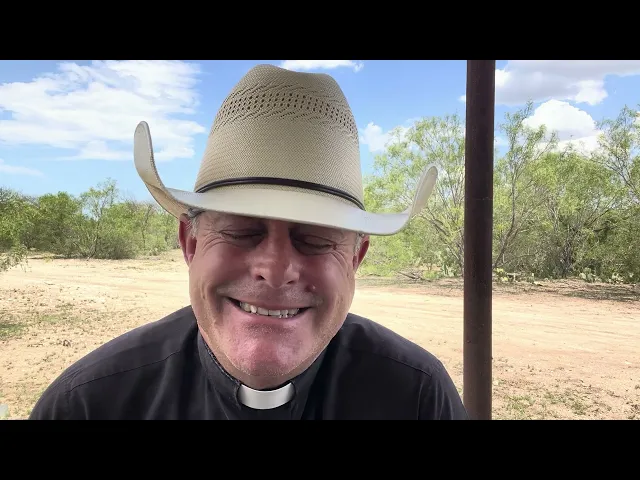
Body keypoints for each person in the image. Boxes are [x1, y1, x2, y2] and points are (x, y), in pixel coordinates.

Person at [29, 64, 468, 420]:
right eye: (241, 232)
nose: (275, 269)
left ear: (356, 258)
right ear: (190, 243)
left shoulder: (417, 398)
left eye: (315, 239)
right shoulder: (88, 405)